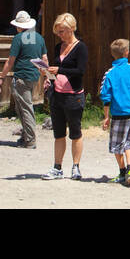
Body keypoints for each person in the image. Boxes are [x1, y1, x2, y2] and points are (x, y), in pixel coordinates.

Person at [99, 38, 130, 188]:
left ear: (112, 55)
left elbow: (105, 97)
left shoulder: (110, 74)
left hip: (118, 114)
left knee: (116, 144)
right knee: (129, 142)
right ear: (127, 52)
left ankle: (122, 172)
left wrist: (106, 117)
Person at [44, 12, 87, 180]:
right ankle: (57, 167)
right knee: (58, 133)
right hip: (57, 94)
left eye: (62, 31)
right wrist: (47, 73)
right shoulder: (57, 47)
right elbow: (56, 70)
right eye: (58, 32)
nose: (60, 35)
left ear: (71, 29)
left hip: (73, 96)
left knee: (75, 132)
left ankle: (76, 167)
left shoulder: (81, 47)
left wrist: (59, 70)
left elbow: (80, 71)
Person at [0, 10, 46, 149]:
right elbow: (44, 59)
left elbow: (10, 61)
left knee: (25, 109)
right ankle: (25, 136)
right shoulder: (39, 38)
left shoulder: (18, 39)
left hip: (21, 76)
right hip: (34, 77)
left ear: (19, 26)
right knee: (22, 107)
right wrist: (45, 75)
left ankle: (30, 140)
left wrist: (1, 78)